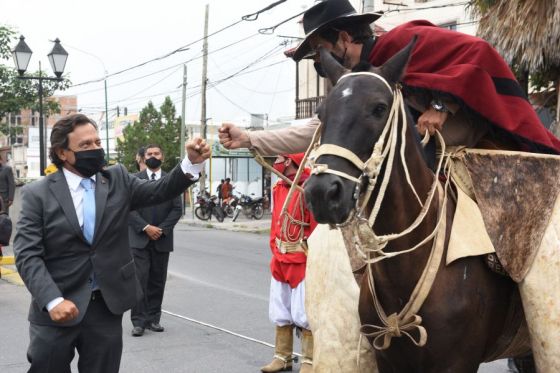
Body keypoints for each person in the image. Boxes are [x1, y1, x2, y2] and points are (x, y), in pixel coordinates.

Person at [219, 0, 560, 157]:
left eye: (321, 50)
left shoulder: (401, 42)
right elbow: (316, 132)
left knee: (410, 153)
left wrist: (441, 105)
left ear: (343, 38)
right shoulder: (358, 82)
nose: (320, 63)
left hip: (468, 123)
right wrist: (249, 137)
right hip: (423, 132)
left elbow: (478, 54)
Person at [13, 113, 210, 373]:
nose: (95, 149)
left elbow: (160, 190)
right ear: (62, 153)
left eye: (97, 142)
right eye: (85, 146)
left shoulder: (117, 179)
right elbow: (28, 255)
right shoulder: (37, 194)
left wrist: (191, 164)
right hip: (57, 306)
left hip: (105, 304)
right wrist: (52, 301)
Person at [262, 153, 317, 373]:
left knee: (304, 313)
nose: (275, 162)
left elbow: (315, 227)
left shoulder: (309, 187)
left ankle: (309, 361)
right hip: (280, 259)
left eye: (279, 158)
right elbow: (276, 222)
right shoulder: (278, 188)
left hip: (302, 261)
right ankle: (282, 357)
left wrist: (310, 255)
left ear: (288, 161)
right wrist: (275, 248)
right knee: (280, 309)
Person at [129, 144, 182, 337]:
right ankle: (138, 322)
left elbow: (177, 209)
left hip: (162, 238)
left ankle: (153, 319)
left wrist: (162, 229)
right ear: (143, 157)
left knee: (157, 281)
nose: (153, 156)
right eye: (149, 154)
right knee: (139, 281)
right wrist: (145, 227)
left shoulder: (171, 181)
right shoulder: (134, 180)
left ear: (163, 157)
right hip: (138, 238)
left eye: (156, 153)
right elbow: (127, 208)